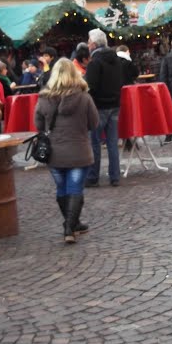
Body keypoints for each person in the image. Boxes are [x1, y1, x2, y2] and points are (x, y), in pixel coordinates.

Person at [34, 58, 99, 243]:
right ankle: (70, 228)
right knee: (75, 189)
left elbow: (38, 124)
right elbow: (94, 123)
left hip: (54, 152)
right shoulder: (84, 96)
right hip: (79, 150)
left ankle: (72, 224)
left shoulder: (44, 97)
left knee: (62, 189)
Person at [84, 29, 123, 188]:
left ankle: (93, 177)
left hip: (98, 106)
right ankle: (115, 176)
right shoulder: (116, 59)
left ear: (93, 44)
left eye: (88, 42)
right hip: (114, 104)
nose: (87, 45)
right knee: (112, 142)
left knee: (94, 142)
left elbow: (90, 86)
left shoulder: (95, 62)